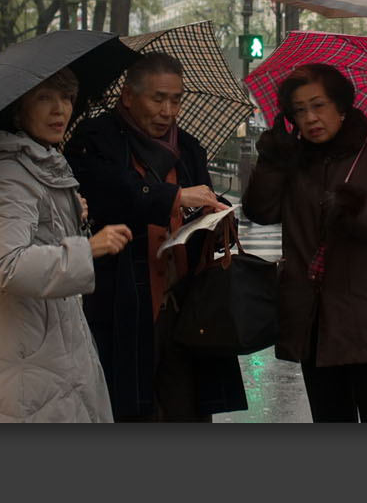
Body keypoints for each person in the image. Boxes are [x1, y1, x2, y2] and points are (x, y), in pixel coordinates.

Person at [0, 68, 131, 423]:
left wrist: (68, 214)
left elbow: (27, 234)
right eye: (44, 98)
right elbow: (9, 264)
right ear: (19, 109)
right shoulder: (9, 173)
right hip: (16, 342)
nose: (59, 110)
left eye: (66, 98)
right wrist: (87, 248)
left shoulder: (29, 162)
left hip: (25, 335)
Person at [66, 51, 246, 422]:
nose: (168, 111)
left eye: (176, 99)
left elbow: (202, 202)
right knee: (128, 410)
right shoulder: (95, 139)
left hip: (185, 308)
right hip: (123, 305)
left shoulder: (188, 149)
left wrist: (219, 214)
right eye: (158, 98)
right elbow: (118, 193)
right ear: (128, 97)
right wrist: (178, 196)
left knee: (189, 409)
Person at [242, 64, 367, 422]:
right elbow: (260, 211)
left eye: (318, 105)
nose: (310, 118)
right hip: (315, 325)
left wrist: (359, 209)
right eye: (298, 109)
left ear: (341, 105)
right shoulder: (295, 160)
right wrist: (273, 160)